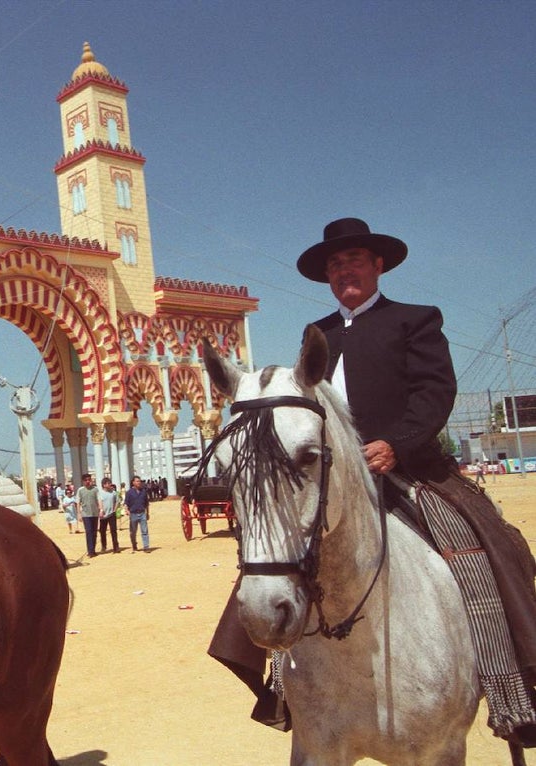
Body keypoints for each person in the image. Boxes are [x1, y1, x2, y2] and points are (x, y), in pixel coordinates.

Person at [214, 217, 536, 744]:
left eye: (355, 261)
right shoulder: (316, 336)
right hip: (334, 477)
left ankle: (513, 681)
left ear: (377, 265)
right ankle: (278, 681)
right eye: (336, 265)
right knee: (274, 553)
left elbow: (435, 393)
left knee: (494, 546)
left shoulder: (415, 320)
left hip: (411, 471)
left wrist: (397, 444)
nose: (345, 272)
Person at [76, 473, 101, 557]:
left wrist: (101, 510)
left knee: (94, 532)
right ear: (83, 481)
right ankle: (90, 551)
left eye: (89, 480)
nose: (88, 482)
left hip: (95, 513)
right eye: (86, 480)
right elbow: (78, 502)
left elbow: (99, 499)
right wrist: (79, 514)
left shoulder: (95, 489)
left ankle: (93, 549)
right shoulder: (80, 490)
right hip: (85, 514)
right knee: (89, 531)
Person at [125, 476, 151, 552]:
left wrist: (147, 513)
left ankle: (146, 547)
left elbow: (146, 503)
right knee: (133, 532)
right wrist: (127, 511)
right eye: (137, 481)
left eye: (139, 481)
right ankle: (134, 544)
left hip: (142, 513)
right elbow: (126, 503)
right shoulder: (129, 492)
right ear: (133, 482)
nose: (139, 482)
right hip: (133, 514)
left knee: (145, 531)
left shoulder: (144, 491)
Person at [97, 478, 121, 554]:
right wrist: (101, 510)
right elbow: (99, 501)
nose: (109, 484)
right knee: (102, 531)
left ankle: (116, 547)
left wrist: (115, 509)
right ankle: (104, 546)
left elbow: (117, 501)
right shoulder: (100, 493)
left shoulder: (113, 493)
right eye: (107, 483)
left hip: (111, 514)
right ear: (104, 485)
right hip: (103, 515)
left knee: (113, 530)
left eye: (110, 483)